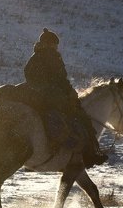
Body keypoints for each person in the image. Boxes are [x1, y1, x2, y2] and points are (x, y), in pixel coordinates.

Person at [23, 28, 105, 166]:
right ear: (50, 44)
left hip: (34, 95)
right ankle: (90, 154)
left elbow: (28, 75)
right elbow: (61, 79)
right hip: (52, 96)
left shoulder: (34, 57)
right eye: (55, 44)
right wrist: (70, 92)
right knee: (81, 116)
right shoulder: (52, 57)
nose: (56, 47)